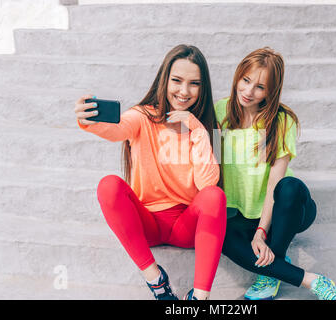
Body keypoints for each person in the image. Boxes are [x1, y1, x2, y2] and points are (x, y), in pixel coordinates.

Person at [74, 44, 227, 300]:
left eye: (194, 84)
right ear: (164, 79)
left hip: (186, 227)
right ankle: (157, 282)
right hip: (147, 224)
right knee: (108, 185)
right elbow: (117, 130)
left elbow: (207, 184)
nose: (184, 91)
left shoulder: (212, 128)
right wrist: (89, 121)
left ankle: (199, 298)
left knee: (215, 195)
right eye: (176, 80)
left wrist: (198, 129)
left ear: (203, 88)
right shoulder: (143, 116)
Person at [214, 47, 336, 300]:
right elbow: (214, 167)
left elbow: (273, 183)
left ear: (271, 91)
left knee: (290, 186)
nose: (248, 91)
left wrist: (261, 232)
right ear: (238, 76)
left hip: (284, 212)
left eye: (260, 87)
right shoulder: (219, 112)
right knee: (219, 236)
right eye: (245, 80)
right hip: (242, 214)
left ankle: (270, 272)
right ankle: (313, 281)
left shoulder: (282, 120)